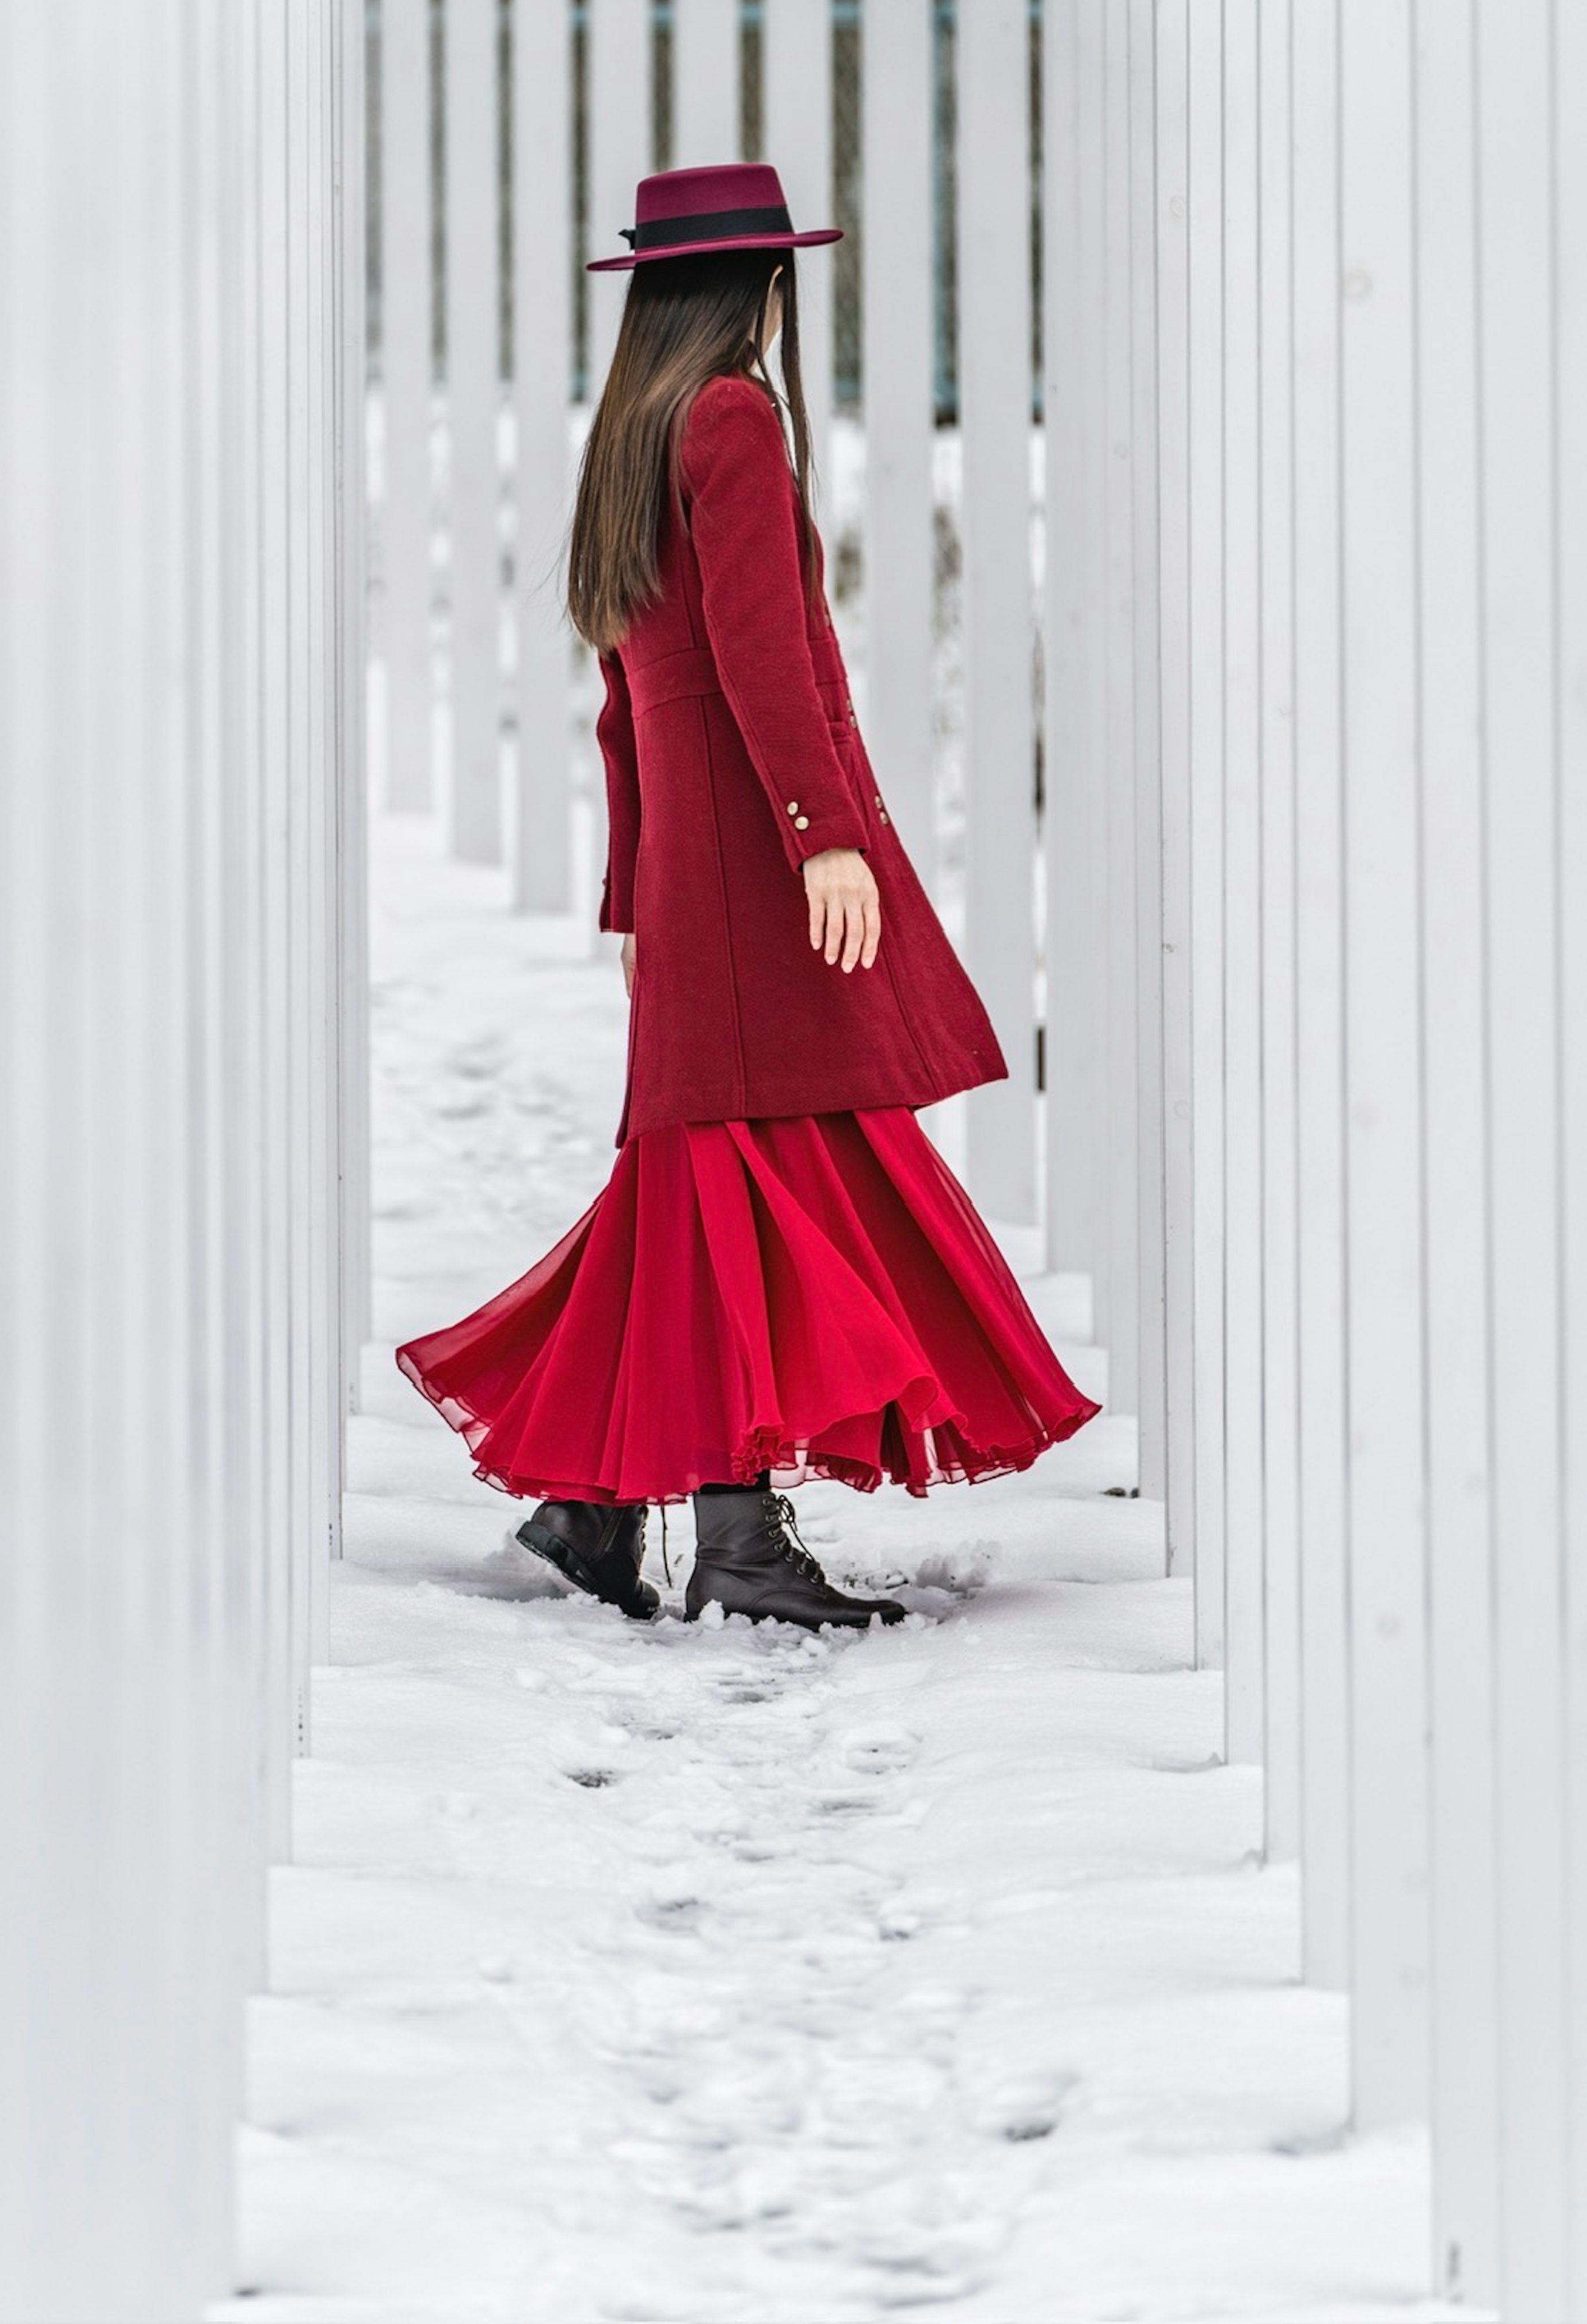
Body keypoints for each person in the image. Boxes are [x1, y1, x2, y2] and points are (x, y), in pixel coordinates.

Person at [397, 159, 1097, 1630]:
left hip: (694, 864)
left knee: (716, 1179)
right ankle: (728, 1533)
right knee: (749, 1175)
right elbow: (761, 653)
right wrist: (818, 833)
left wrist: (638, 887)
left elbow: (622, 692)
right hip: (748, 858)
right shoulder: (729, 416)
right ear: (764, 290)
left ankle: (598, 1512)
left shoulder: (632, 431)